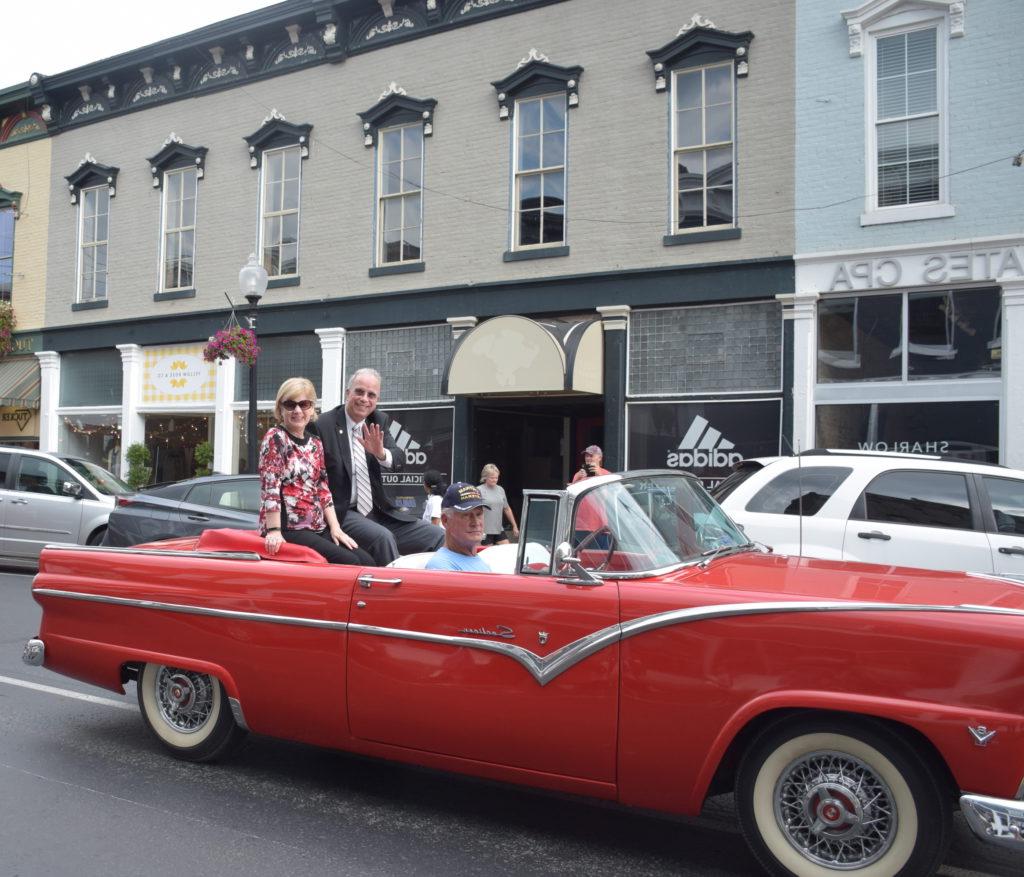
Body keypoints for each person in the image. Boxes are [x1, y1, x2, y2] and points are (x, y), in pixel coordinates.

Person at [314, 367, 444, 565]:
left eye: (371, 395)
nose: (364, 399)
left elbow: (399, 460)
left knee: (438, 535)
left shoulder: (378, 420)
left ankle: (438, 590)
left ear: (377, 400)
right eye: (359, 392)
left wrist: (381, 453)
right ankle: (394, 592)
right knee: (382, 538)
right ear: (347, 393)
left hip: (379, 512)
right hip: (344, 513)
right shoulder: (323, 424)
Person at [259, 377, 374, 566]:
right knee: (350, 562)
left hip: (318, 527)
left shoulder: (315, 443)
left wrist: (336, 528)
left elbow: (322, 488)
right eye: (290, 404)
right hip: (289, 528)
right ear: (280, 408)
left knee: (367, 561)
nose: (297, 410)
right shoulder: (275, 438)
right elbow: (270, 487)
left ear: (312, 409)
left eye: (304, 404)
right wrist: (273, 530)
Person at [426, 483, 492, 572]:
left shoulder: (480, 560)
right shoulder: (440, 566)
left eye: (479, 514)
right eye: (467, 515)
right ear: (446, 520)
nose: (476, 523)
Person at [478, 463, 518, 545]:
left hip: (498, 529)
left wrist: (514, 526)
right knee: (488, 554)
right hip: (484, 530)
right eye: (492, 478)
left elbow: (506, 509)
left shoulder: (500, 490)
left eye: (496, 477)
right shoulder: (478, 490)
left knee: (507, 549)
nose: (495, 480)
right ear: (485, 477)